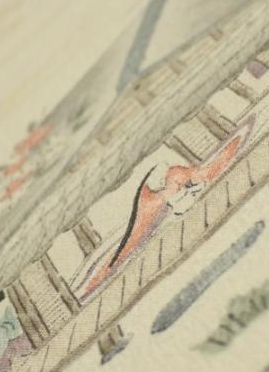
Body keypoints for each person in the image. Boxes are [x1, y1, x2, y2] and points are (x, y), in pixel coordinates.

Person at [78, 122, 249, 298]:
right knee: (124, 247)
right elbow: (170, 197)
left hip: (155, 206)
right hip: (152, 205)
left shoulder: (178, 179)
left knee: (125, 248)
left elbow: (176, 200)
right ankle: (93, 282)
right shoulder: (172, 178)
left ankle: (93, 282)